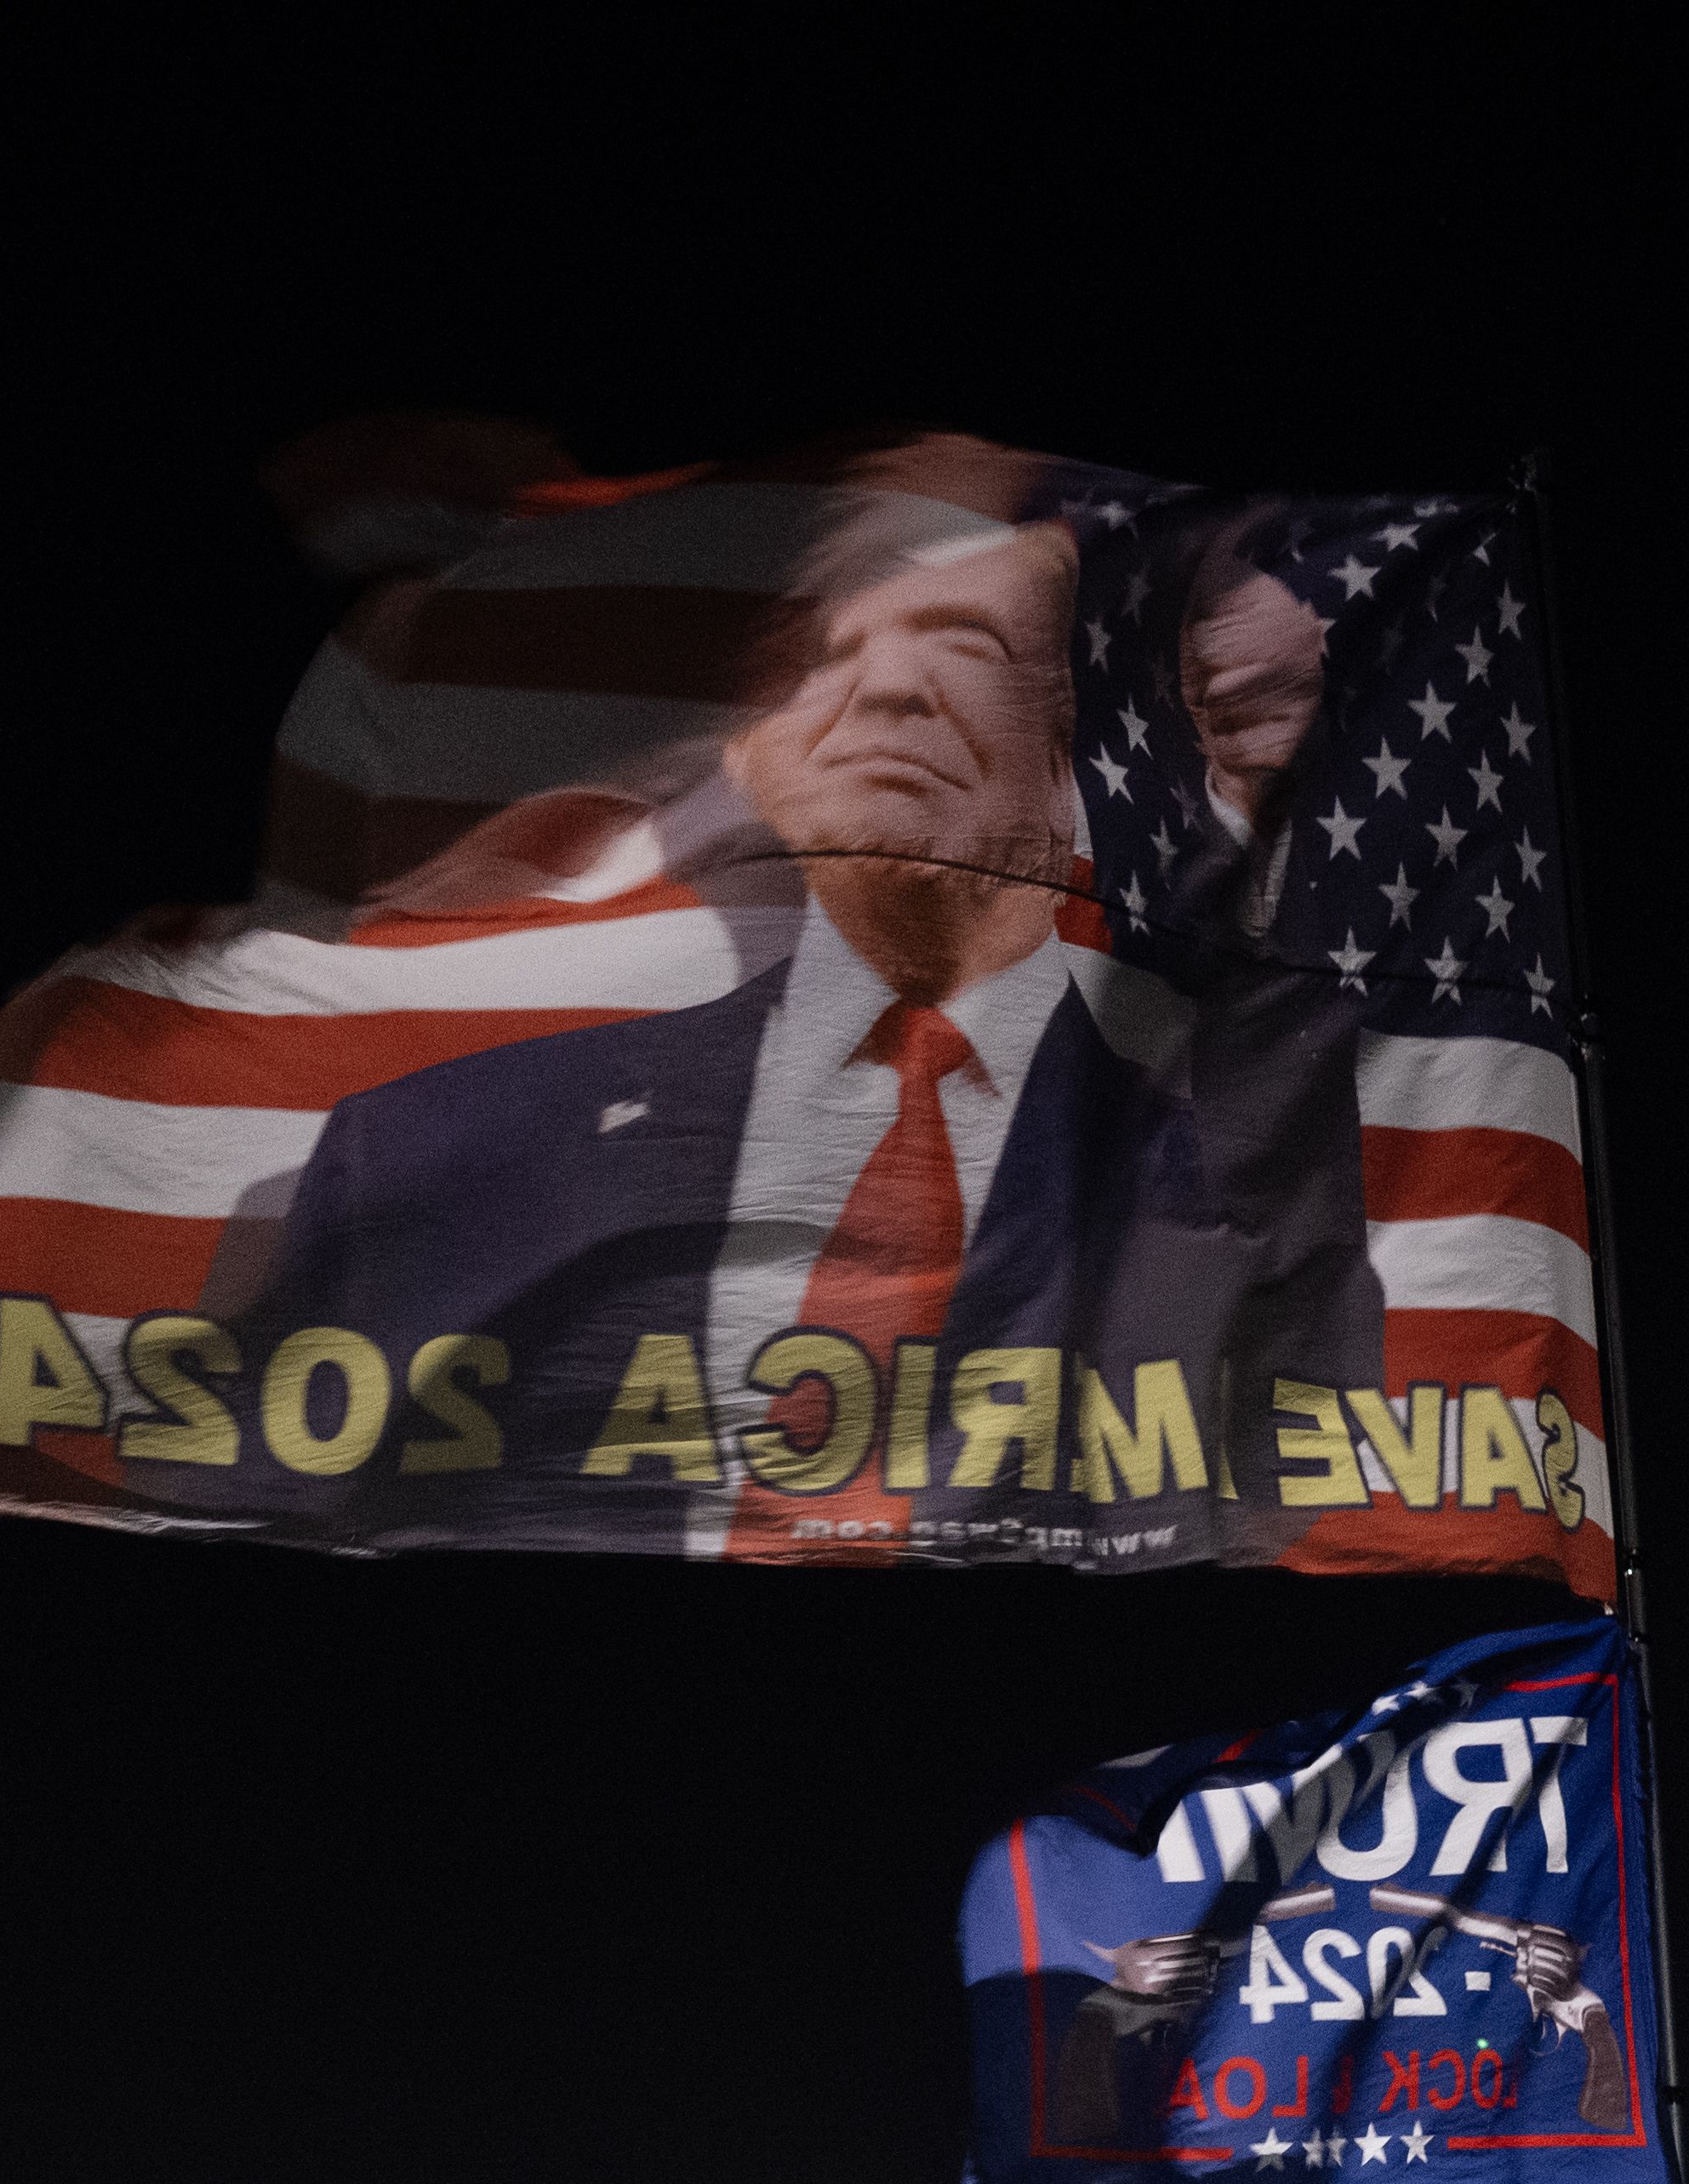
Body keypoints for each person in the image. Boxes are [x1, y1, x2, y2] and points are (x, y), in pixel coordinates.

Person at [198, 473, 1371, 1558]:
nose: (886, 687)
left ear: (1082, 754)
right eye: (828, 658)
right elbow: (259, 1521)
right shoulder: (429, 1149)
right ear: (761, 764)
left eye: (963, 646)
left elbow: (1305, 1529)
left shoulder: (1237, 1179)